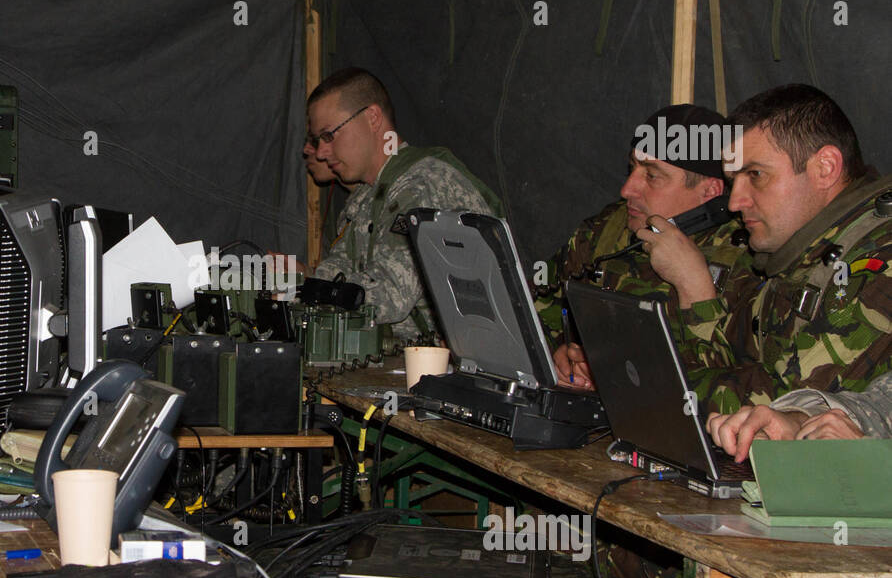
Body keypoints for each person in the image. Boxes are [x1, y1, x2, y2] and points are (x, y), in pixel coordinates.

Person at [639, 85, 892, 460]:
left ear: (825, 168)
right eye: (733, 180)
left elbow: (775, 411)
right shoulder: (802, 250)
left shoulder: (875, 262)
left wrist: (642, 377)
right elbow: (733, 362)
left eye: (755, 174)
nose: (736, 201)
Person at [536, 104, 756, 389]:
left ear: (710, 192)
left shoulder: (749, 260)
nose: (627, 189)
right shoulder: (608, 228)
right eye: (632, 168)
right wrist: (561, 352)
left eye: (651, 175)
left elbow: (732, 390)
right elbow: (534, 308)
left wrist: (695, 290)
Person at [306, 67, 502, 341]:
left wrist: (315, 292)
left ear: (372, 117)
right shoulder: (364, 198)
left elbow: (388, 296)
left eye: (329, 135)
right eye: (317, 140)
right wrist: (301, 286)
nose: (322, 152)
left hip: (454, 368)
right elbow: (338, 268)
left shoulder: (425, 185)